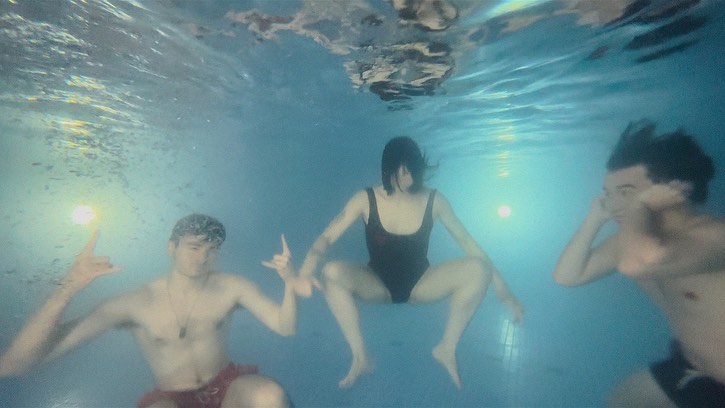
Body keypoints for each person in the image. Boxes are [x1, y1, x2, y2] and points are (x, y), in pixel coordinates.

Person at [294, 136, 524, 389]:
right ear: (389, 169)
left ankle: (447, 348)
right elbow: (327, 237)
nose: (410, 178)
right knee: (331, 272)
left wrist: (503, 291)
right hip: (376, 283)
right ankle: (361, 356)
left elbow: (468, 243)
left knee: (479, 270)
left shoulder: (434, 200)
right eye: (404, 171)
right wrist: (305, 271)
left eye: (414, 170)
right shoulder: (366, 199)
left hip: (422, 284)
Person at [0, 214, 296, 408]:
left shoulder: (231, 286)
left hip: (227, 386)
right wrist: (68, 286)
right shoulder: (134, 303)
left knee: (269, 396)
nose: (202, 258)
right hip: (173, 397)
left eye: (211, 250)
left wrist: (290, 284)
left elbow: (286, 327)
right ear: (171, 248)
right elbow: (16, 364)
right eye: (194, 247)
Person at [553, 120, 725, 407]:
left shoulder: (712, 237)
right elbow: (568, 275)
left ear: (673, 189)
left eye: (626, 192)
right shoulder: (632, 240)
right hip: (692, 365)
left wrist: (640, 207)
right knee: (621, 400)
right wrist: (595, 218)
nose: (614, 204)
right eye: (609, 194)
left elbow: (638, 264)